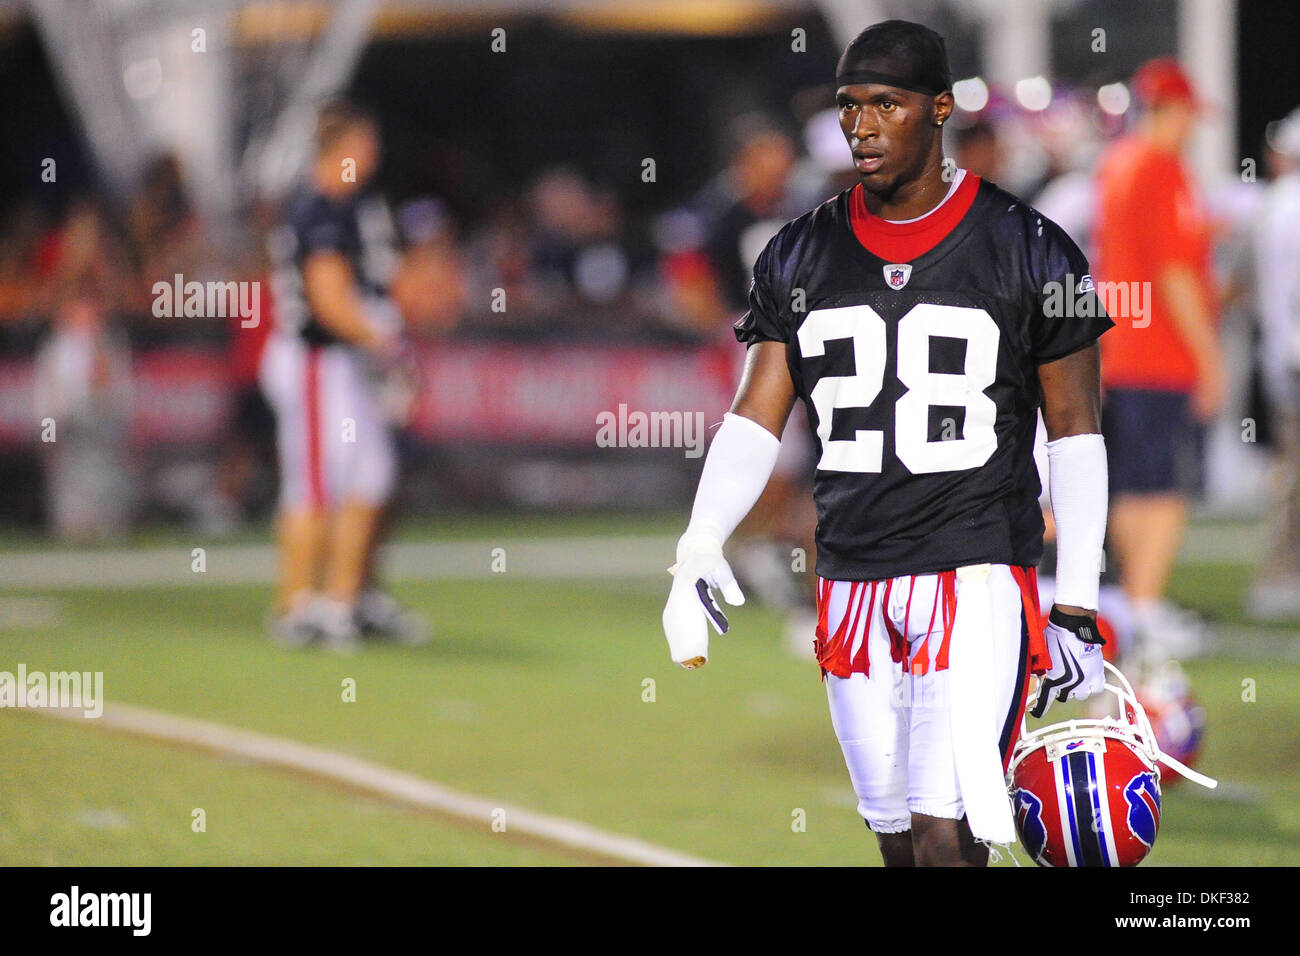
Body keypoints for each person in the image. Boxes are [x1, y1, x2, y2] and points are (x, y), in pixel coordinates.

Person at [661, 19, 1112, 866]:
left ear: (939, 109)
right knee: (898, 838)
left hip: (974, 574)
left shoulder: (1031, 245)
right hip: (852, 579)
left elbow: (1076, 435)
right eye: (849, 105)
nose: (862, 125)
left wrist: (1077, 605)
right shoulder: (799, 251)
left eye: (887, 104)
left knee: (948, 836)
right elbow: (756, 414)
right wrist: (698, 546)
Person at [261, 98, 428, 651]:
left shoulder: (355, 204)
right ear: (341, 147)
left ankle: (343, 599)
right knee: (314, 482)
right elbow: (329, 301)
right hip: (316, 357)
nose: (374, 154)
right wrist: (386, 338)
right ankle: (295, 604)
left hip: (345, 361)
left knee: (372, 475)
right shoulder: (320, 208)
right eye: (365, 143)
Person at [1093, 58, 1222, 660]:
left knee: (1132, 486)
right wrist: (1210, 357)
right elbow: (1173, 273)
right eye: (1190, 114)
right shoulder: (1161, 169)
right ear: (1170, 110)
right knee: (1164, 488)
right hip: (1160, 354)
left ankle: (1134, 605)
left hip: (1122, 349)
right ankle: (1142, 607)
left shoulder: (1116, 164)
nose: (1194, 126)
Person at [1249, 108, 1300, 618]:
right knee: (1291, 477)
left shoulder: (1278, 202)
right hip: (1293, 356)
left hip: (1285, 354)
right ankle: (1280, 576)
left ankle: (1282, 574)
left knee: (1290, 475)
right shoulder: (1288, 204)